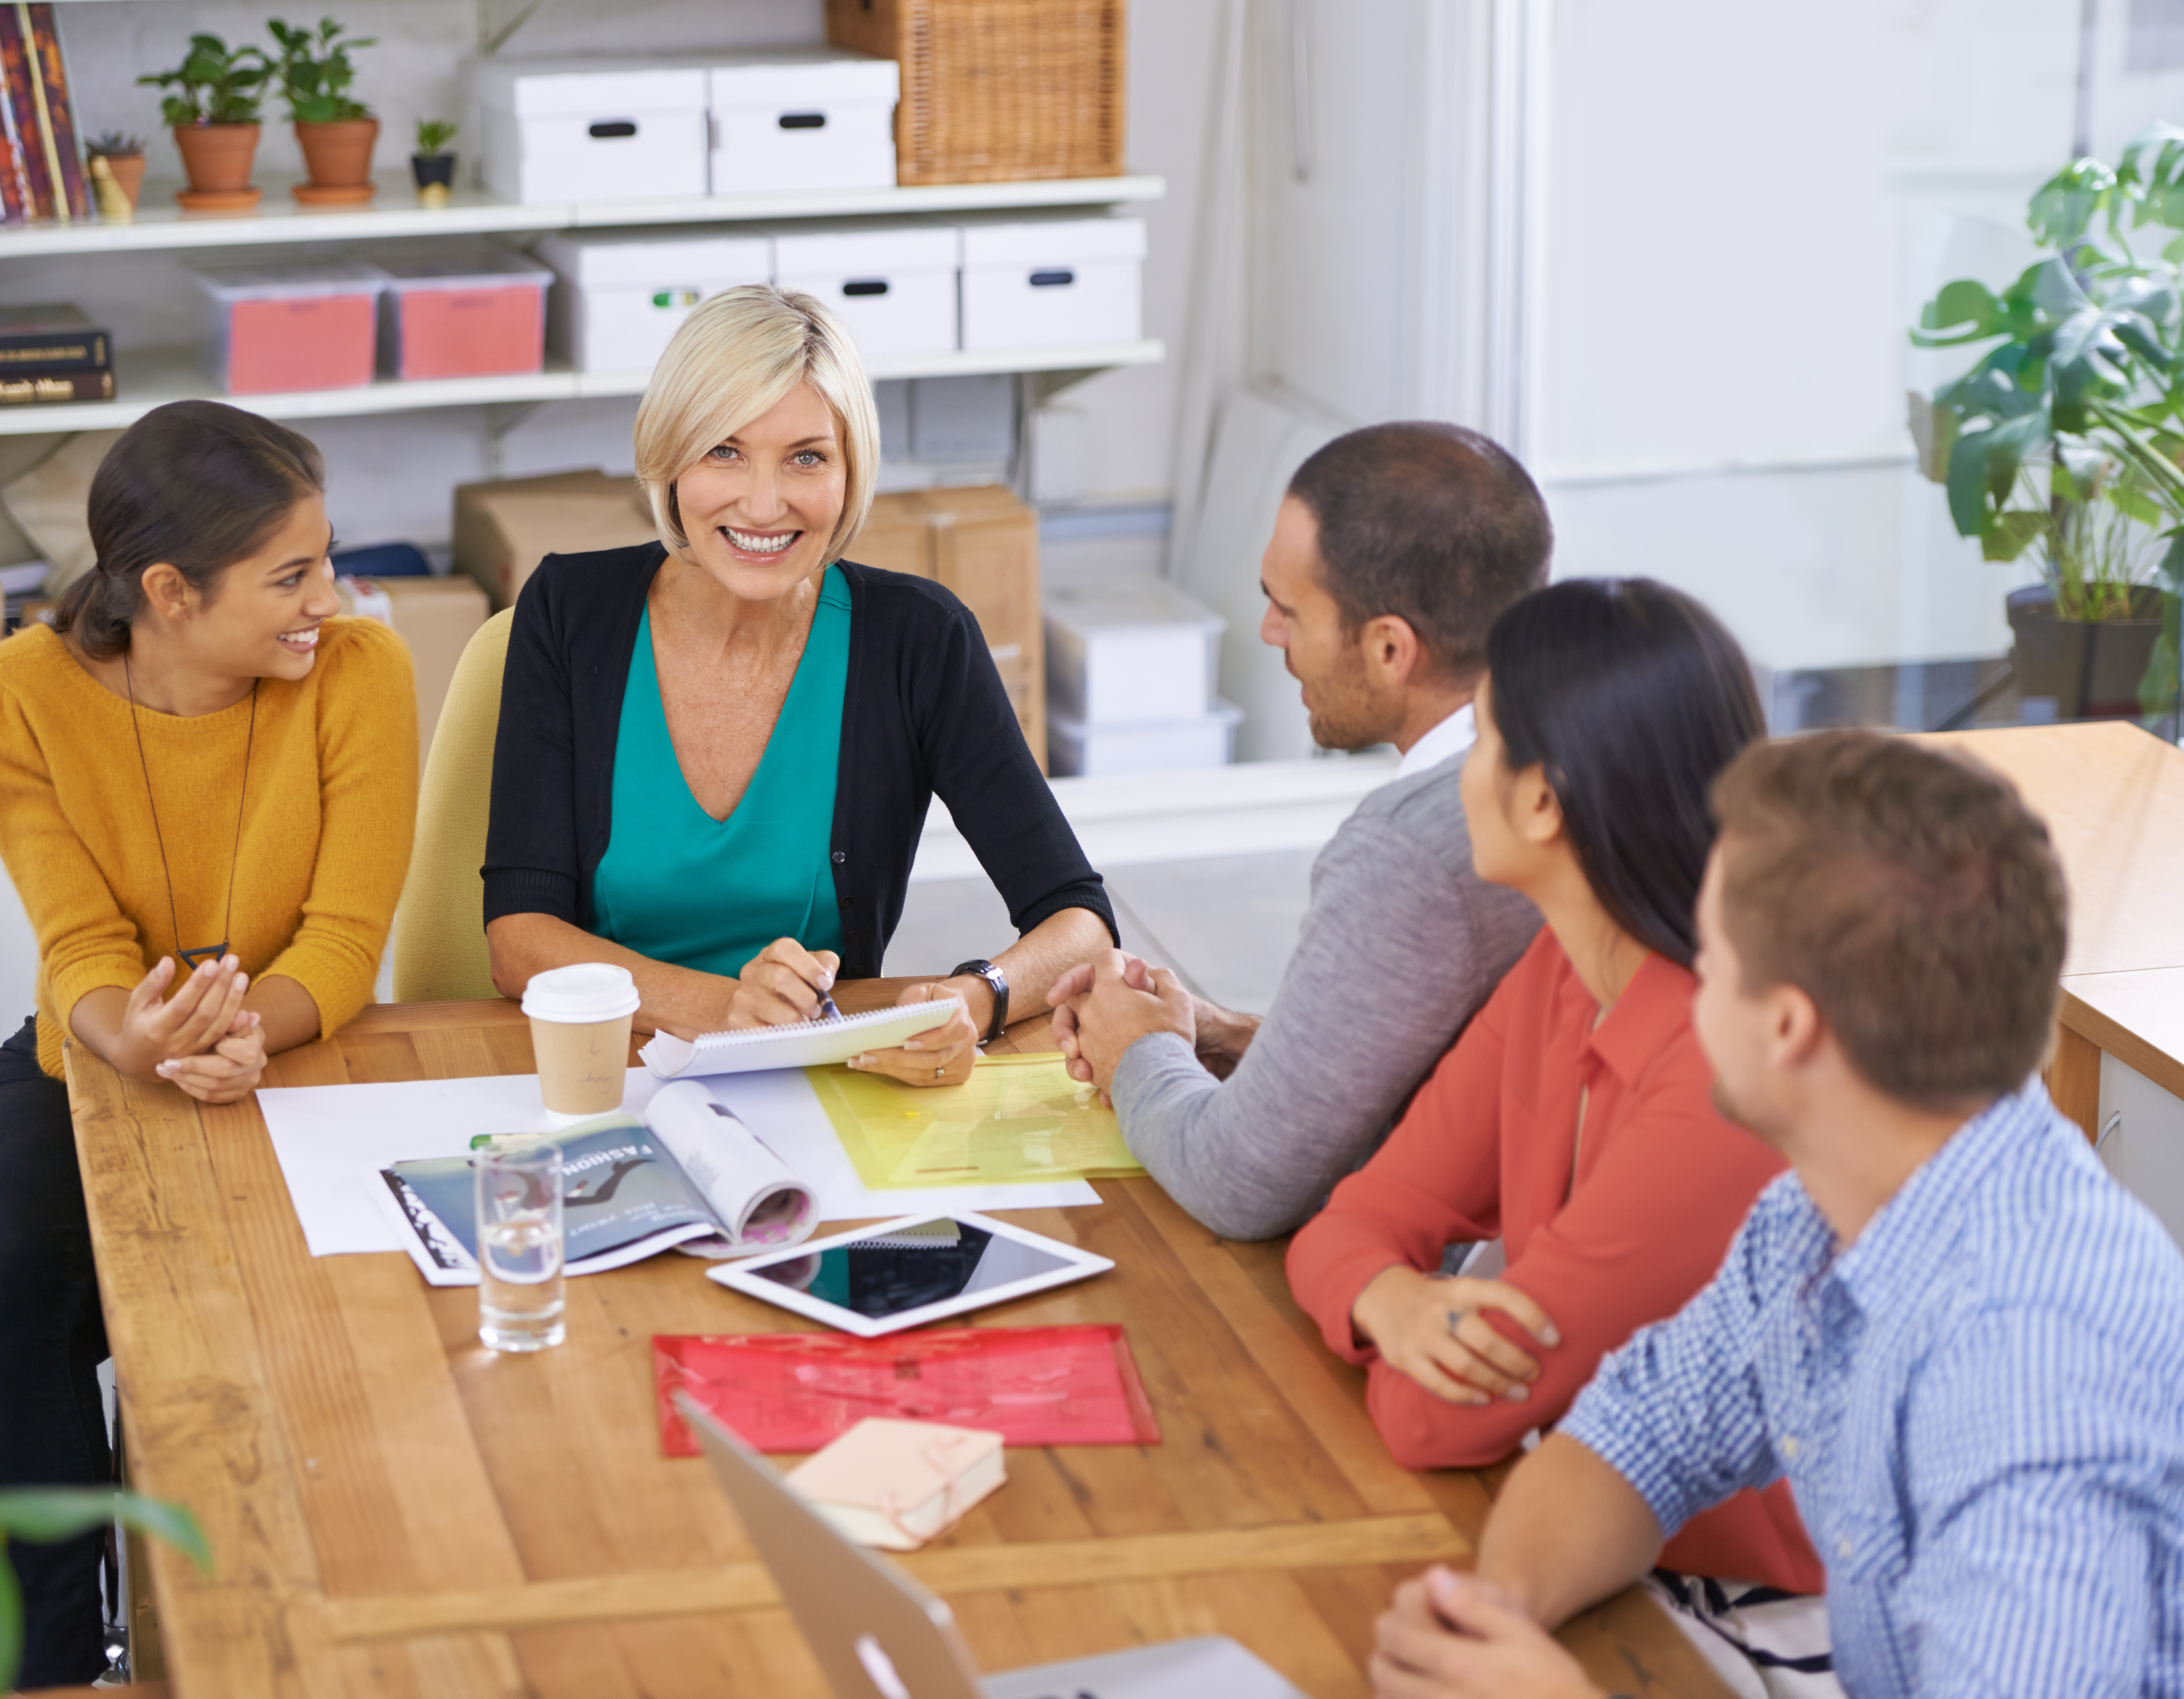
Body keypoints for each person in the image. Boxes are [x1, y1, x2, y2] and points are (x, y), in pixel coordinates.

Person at [1369, 732, 2184, 1699]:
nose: (1679, 984)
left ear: (1788, 1025)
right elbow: (1631, 1440)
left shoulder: (2033, 1369)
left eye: (1705, 957)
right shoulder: (1817, 1212)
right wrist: (1494, 1616)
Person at [1280, 580, 1825, 1657]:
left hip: (1761, 1619)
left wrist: (1389, 1308)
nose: (1458, 773)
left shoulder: (1720, 1089)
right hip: (1597, 1546)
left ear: (1541, 803)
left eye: (1480, 737)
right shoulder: (1559, 974)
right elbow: (1359, 1215)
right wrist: (1390, 1298)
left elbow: (1440, 1421)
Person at [0, 401, 417, 1686]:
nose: (328, 598)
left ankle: (268, 1632)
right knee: (12, 1284)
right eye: (291, 576)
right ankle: (60, 1661)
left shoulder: (360, 671)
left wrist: (238, 1032)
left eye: (326, 560)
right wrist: (138, 1043)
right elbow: (79, 944)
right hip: (99, 1059)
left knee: (274, 1321)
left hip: (297, 1054)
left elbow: (344, 940)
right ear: (170, 593)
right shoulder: (24, 691)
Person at [484, 286, 1115, 1080]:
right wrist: (727, 1011)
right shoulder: (570, 609)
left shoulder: (918, 640)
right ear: (668, 457)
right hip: (602, 1069)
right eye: (723, 450)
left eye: (807, 457)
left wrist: (975, 998)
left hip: (820, 1082)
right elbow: (519, 939)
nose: (762, 504)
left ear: (851, 472)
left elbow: (1080, 924)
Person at [1047, 423, 1546, 1238]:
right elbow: (1432, 1074)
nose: (1267, 632)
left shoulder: (1413, 850)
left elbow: (1237, 1184)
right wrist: (1233, 1037)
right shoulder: (1566, 752)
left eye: (1288, 609)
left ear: (1390, 649)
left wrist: (1135, 1051)